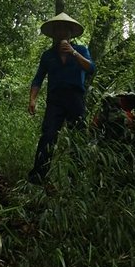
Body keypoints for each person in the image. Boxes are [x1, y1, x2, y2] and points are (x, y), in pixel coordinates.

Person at [27, 11, 95, 182]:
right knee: (48, 135)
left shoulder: (81, 50)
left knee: (77, 137)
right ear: (55, 33)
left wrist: (73, 53)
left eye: (65, 30)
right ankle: (38, 177)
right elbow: (38, 79)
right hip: (55, 100)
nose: (62, 33)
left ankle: (76, 178)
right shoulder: (48, 55)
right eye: (59, 30)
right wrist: (32, 99)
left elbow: (91, 68)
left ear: (71, 33)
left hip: (75, 99)